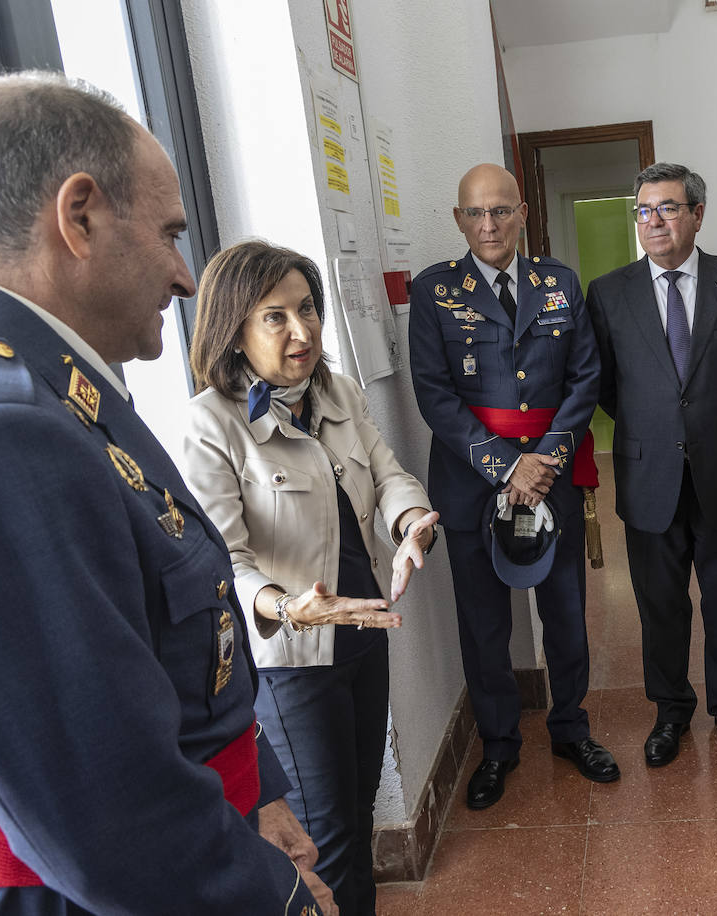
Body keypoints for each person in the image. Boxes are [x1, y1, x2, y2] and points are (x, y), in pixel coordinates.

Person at [0, 73, 330, 913]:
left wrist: (260, 789)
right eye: (170, 234)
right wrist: (278, 900)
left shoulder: (44, 382)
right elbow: (110, 810)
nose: (187, 279)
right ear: (79, 216)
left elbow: (173, 649)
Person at [180, 240, 438, 913]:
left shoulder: (338, 390)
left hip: (362, 635)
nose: (303, 330)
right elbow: (223, 563)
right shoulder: (212, 423)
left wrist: (411, 523)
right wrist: (287, 606)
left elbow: (385, 474)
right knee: (324, 840)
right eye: (276, 317)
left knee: (358, 811)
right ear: (234, 328)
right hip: (294, 660)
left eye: (308, 310)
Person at [409, 164, 618, 809]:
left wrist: (547, 459)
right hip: (472, 484)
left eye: (501, 211)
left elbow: (585, 378)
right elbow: (434, 396)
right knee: (483, 624)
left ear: (522, 213)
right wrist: (506, 466)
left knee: (567, 618)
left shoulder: (558, 283)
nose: (490, 224)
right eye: (476, 214)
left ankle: (570, 728)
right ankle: (499, 745)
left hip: (550, 479)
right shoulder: (433, 291)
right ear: (459, 220)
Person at [586, 163, 717, 766]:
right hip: (649, 475)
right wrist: (659, 429)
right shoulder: (609, 293)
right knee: (660, 603)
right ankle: (671, 710)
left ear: (697, 214)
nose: (654, 221)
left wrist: (714, 424)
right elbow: (606, 386)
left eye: (668, 208)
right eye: (644, 210)